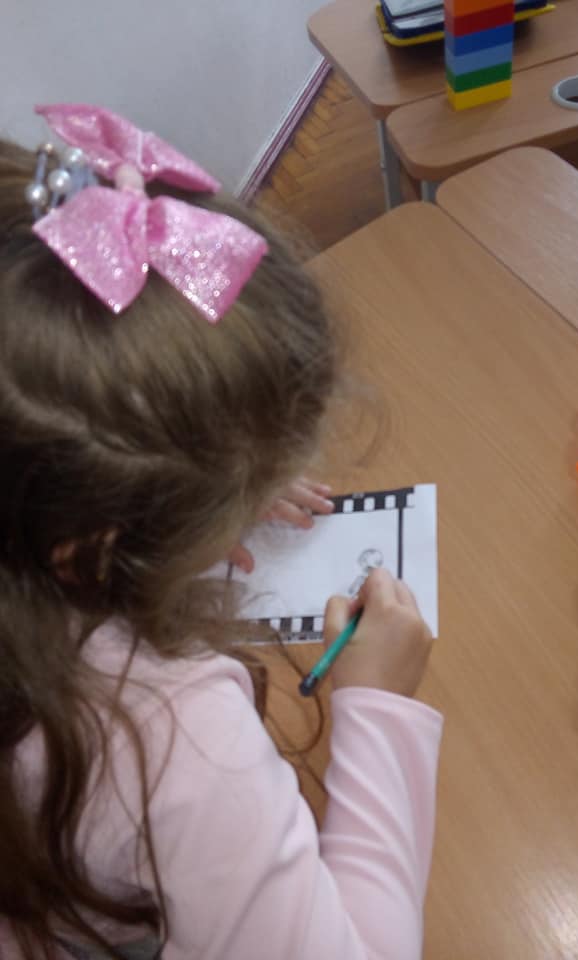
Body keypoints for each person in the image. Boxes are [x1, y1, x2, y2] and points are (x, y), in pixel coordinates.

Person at [0, 105, 442, 960]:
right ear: (92, 544)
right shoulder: (172, 735)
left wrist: (186, 509)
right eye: (241, 499)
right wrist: (378, 705)